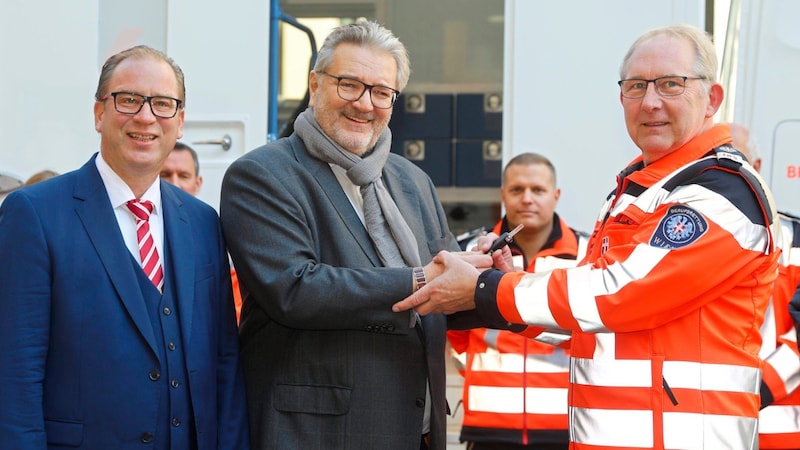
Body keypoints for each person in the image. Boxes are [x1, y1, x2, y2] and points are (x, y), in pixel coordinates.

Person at [394, 24, 780, 449]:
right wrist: (509, 288)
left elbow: (624, 293)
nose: (651, 102)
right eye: (636, 86)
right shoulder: (639, 190)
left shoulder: (724, 190)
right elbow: (594, 324)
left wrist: (490, 289)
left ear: (712, 99)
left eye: (671, 84)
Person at [219, 19, 460, 450]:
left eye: (382, 92)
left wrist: (491, 283)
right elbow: (294, 289)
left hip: (415, 430)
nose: (365, 104)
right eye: (349, 84)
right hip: (316, 433)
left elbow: (450, 287)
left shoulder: (412, 181)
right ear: (314, 84)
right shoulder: (262, 174)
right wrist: (420, 280)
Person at [0, 45, 249, 449]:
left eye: (163, 104)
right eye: (129, 99)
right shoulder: (34, 214)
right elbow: (15, 372)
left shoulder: (203, 222)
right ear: (99, 113)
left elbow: (224, 361)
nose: (146, 116)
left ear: (180, 121)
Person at [447, 153, 587, 450]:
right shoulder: (471, 251)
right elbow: (453, 333)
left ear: (556, 195)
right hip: (488, 427)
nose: (527, 199)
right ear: (502, 195)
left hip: (566, 426)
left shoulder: (587, 255)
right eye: (516, 190)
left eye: (537, 190)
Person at [729, 123, 800, 449]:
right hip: (706, 427)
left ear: (756, 167)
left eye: (734, 160)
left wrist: (756, 389)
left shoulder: (796, 241)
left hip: (779, 432)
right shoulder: (685, 241)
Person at [159, 141, 243, 323]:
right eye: (165, 175)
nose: (175, 183)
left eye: (183, 176)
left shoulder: (212, 228)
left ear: (198, 183)